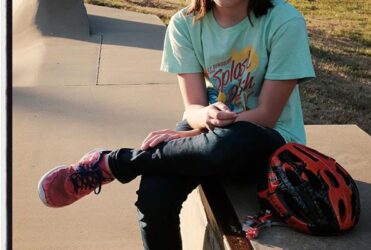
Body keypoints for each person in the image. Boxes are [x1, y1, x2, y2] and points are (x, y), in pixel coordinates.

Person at [38, 0, 315, 249]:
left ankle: (115, 163)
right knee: (153, 196)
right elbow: (193, 108)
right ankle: (120, 163)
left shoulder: (284, 21)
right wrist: (201, 123)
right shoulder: (185, 23)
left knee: (230, 141)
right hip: (209, 134)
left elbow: (266, 115)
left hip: (268, 145)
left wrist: (194, 136)